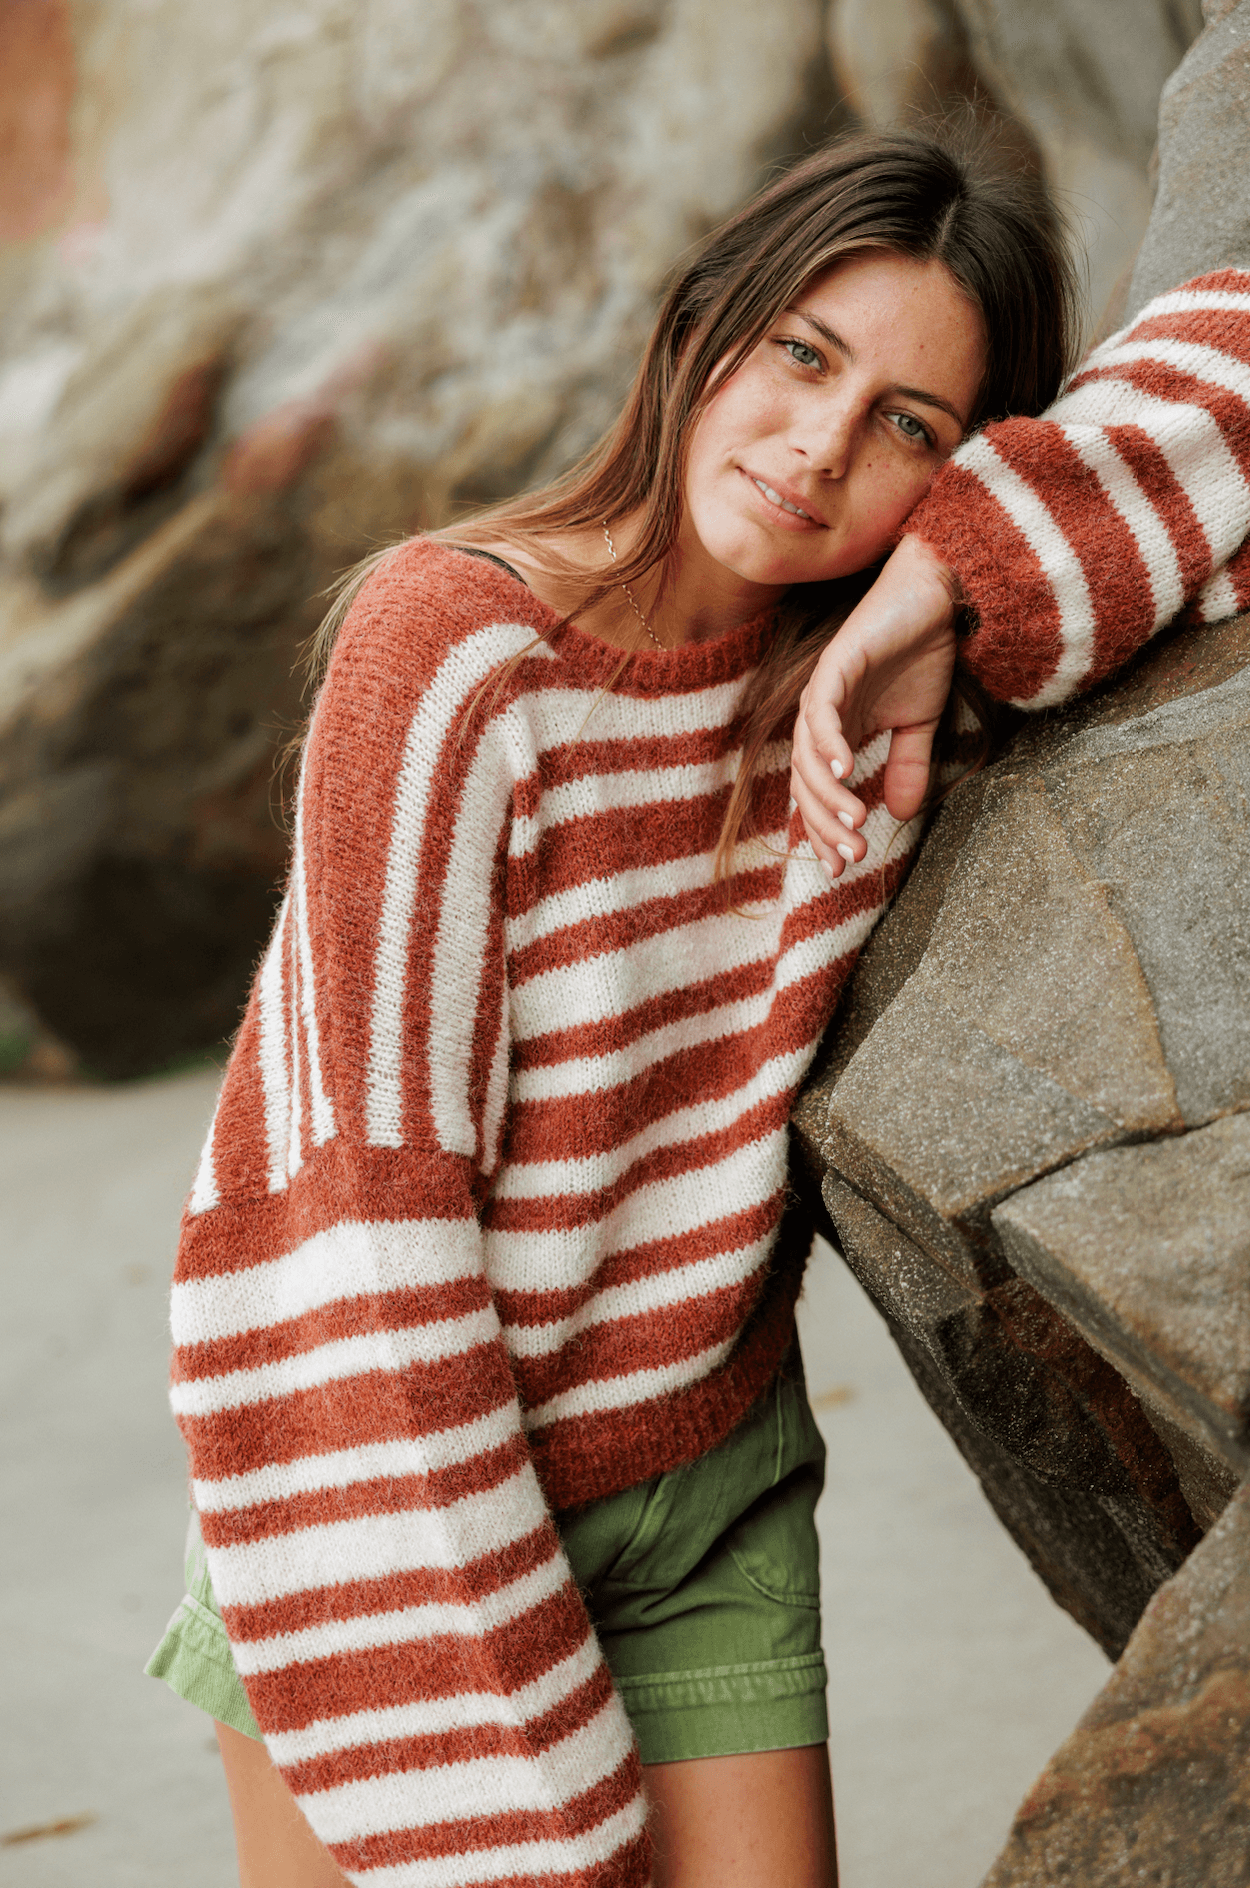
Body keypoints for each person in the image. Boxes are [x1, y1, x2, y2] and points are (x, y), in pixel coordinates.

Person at [145, 123, 1250, 1888]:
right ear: (699, 328)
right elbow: (359, 1220)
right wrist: (533, 1807)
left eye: (911, 425)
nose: (821, 450)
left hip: (703, 1480)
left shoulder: (867, 695)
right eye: (802, 354)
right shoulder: (452, 654)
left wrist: (942, 575)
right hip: (376, 1487)